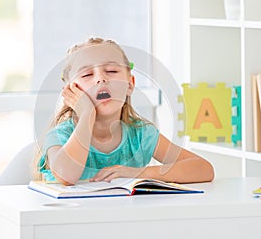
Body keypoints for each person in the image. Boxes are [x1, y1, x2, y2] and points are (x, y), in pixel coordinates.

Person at [35, 37, 214, 185]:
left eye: (111, 70)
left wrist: (137, 173)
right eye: (87, 75)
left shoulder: (140, 135)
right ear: (71, 91)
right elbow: (67, 176)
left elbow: (203, 169)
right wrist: (86, 116)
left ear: (130, 84)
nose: (101, 79)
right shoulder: (59, 136)